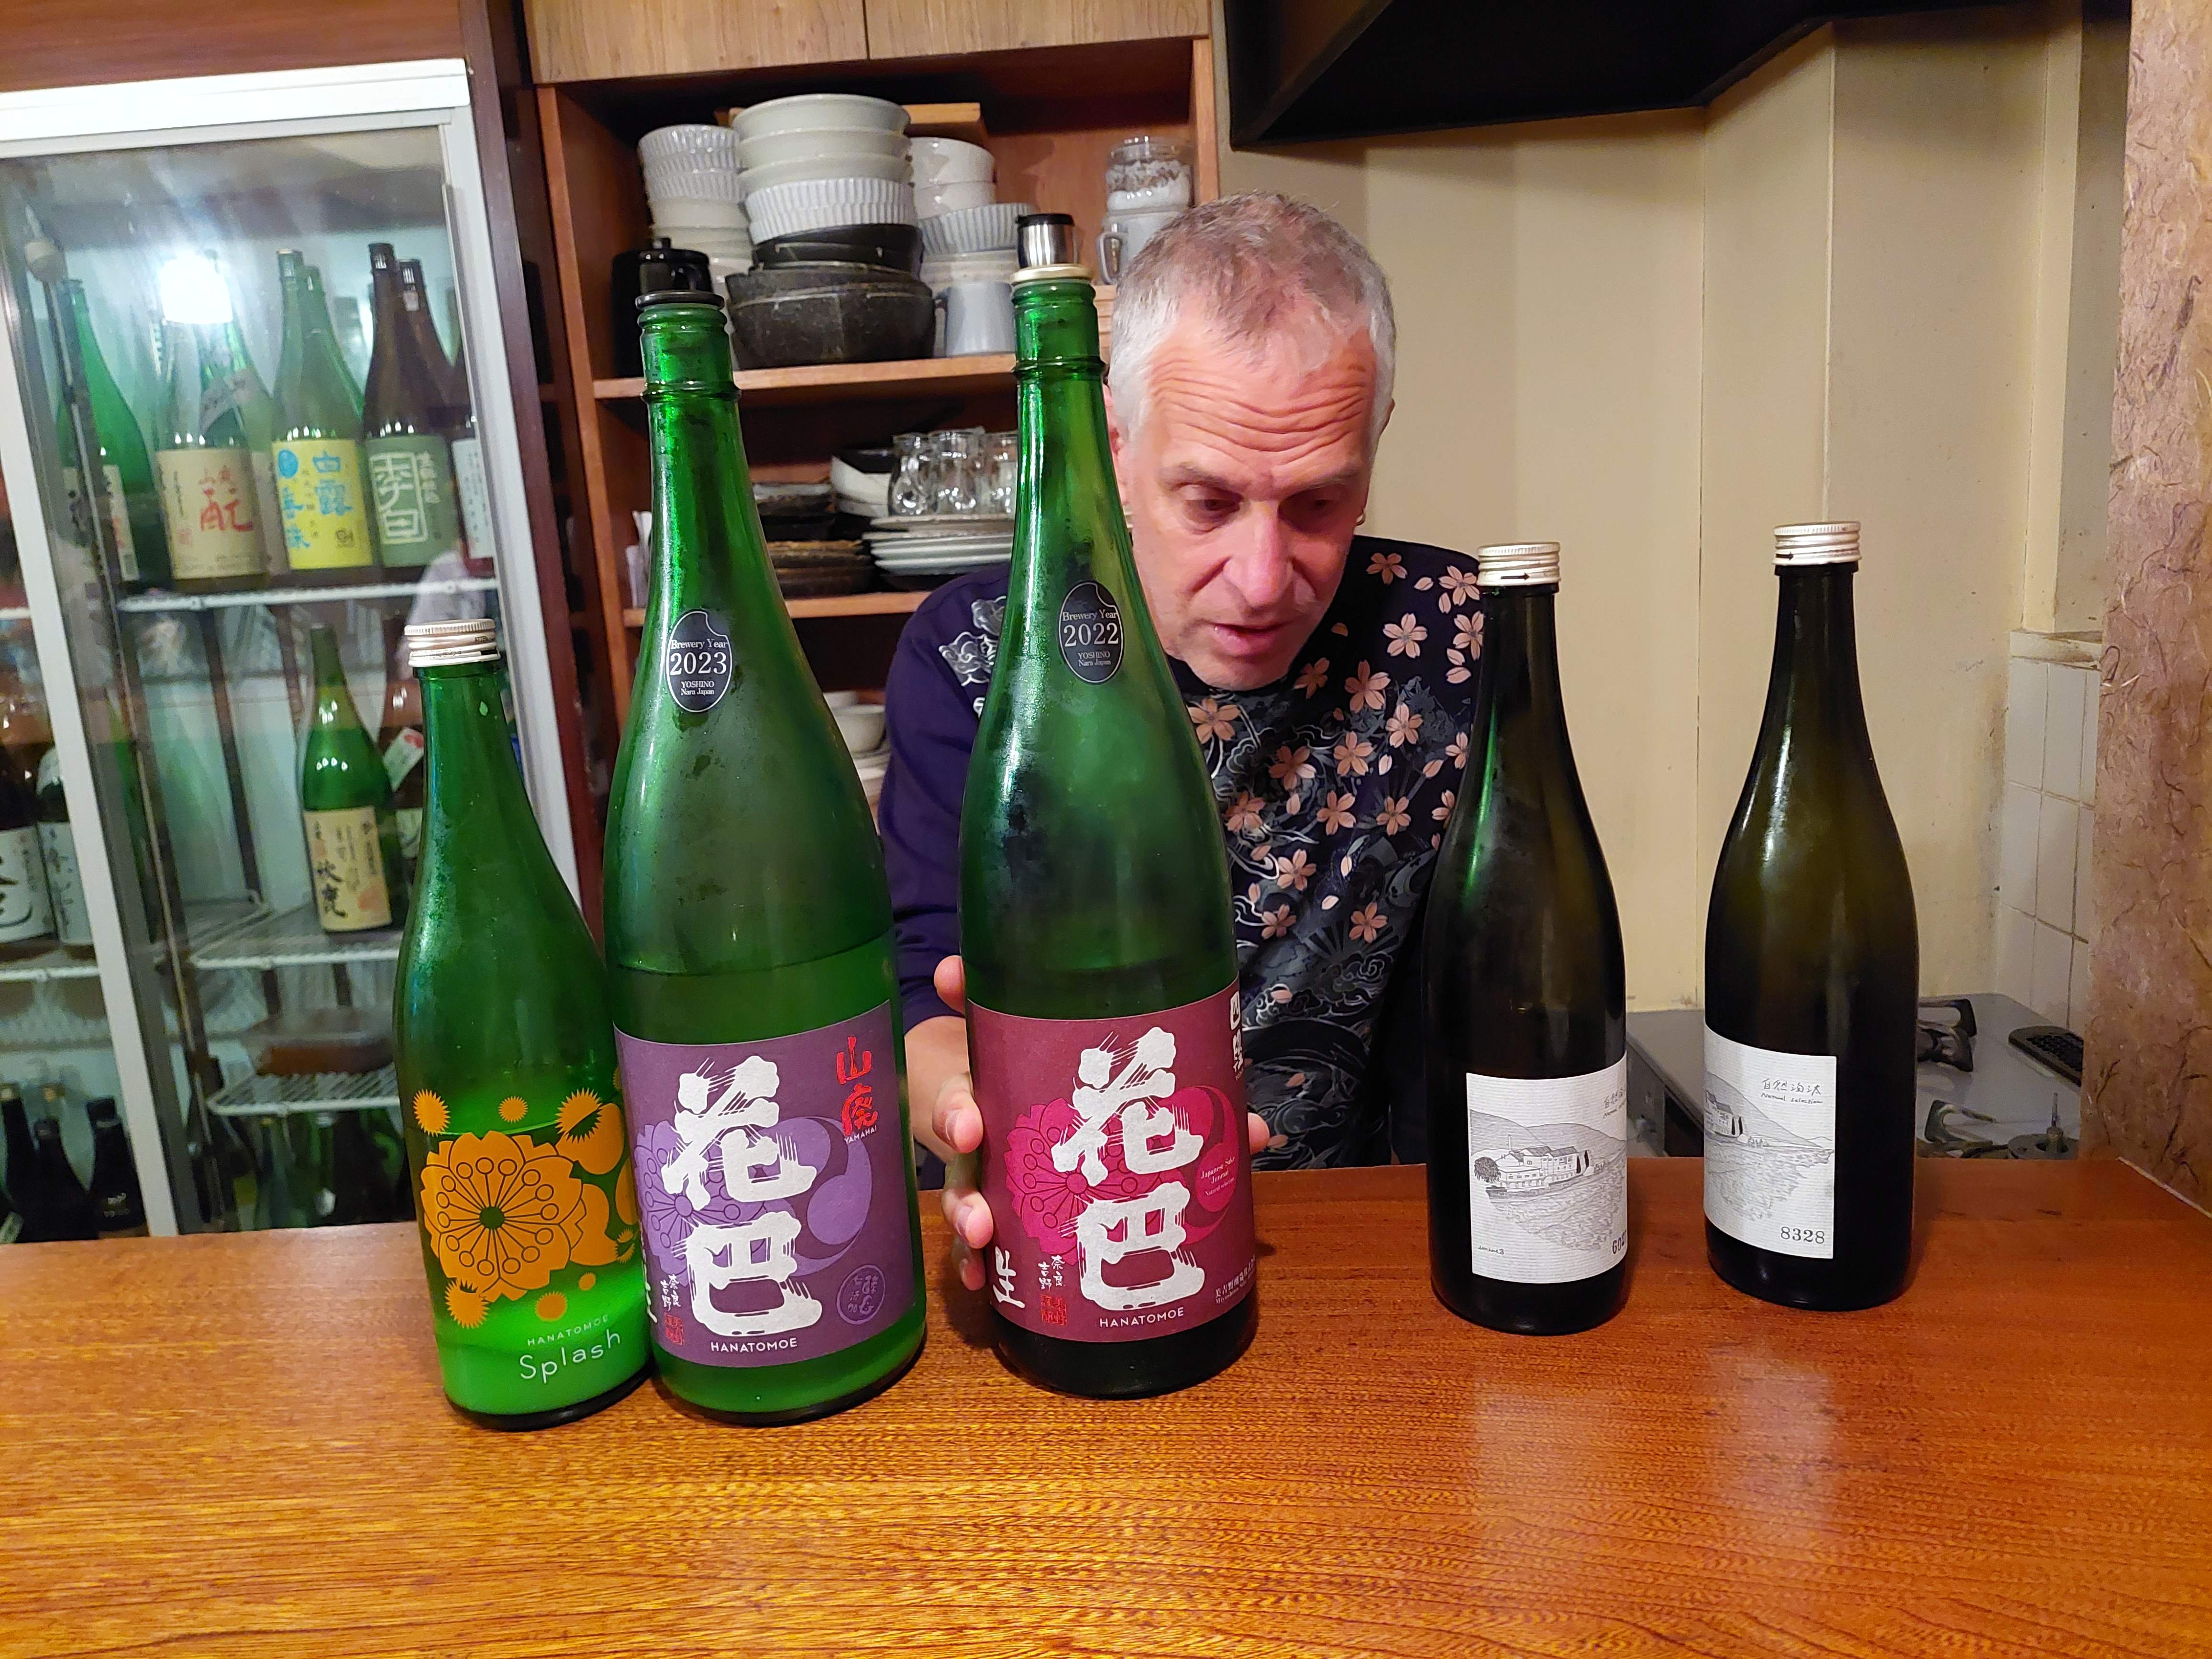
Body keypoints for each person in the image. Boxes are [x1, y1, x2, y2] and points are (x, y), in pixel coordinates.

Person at [879, 192, 1481, 1286]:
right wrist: (963, 1112)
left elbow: (1462, 1010)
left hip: (1352, 1235)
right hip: (1070, 1222)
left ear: (1374, 443)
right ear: (1113, 445)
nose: (1260, 579)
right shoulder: (977, 659)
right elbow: (923, 985)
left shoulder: (1444, 636)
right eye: (1207, 502)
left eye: (1318, 505)